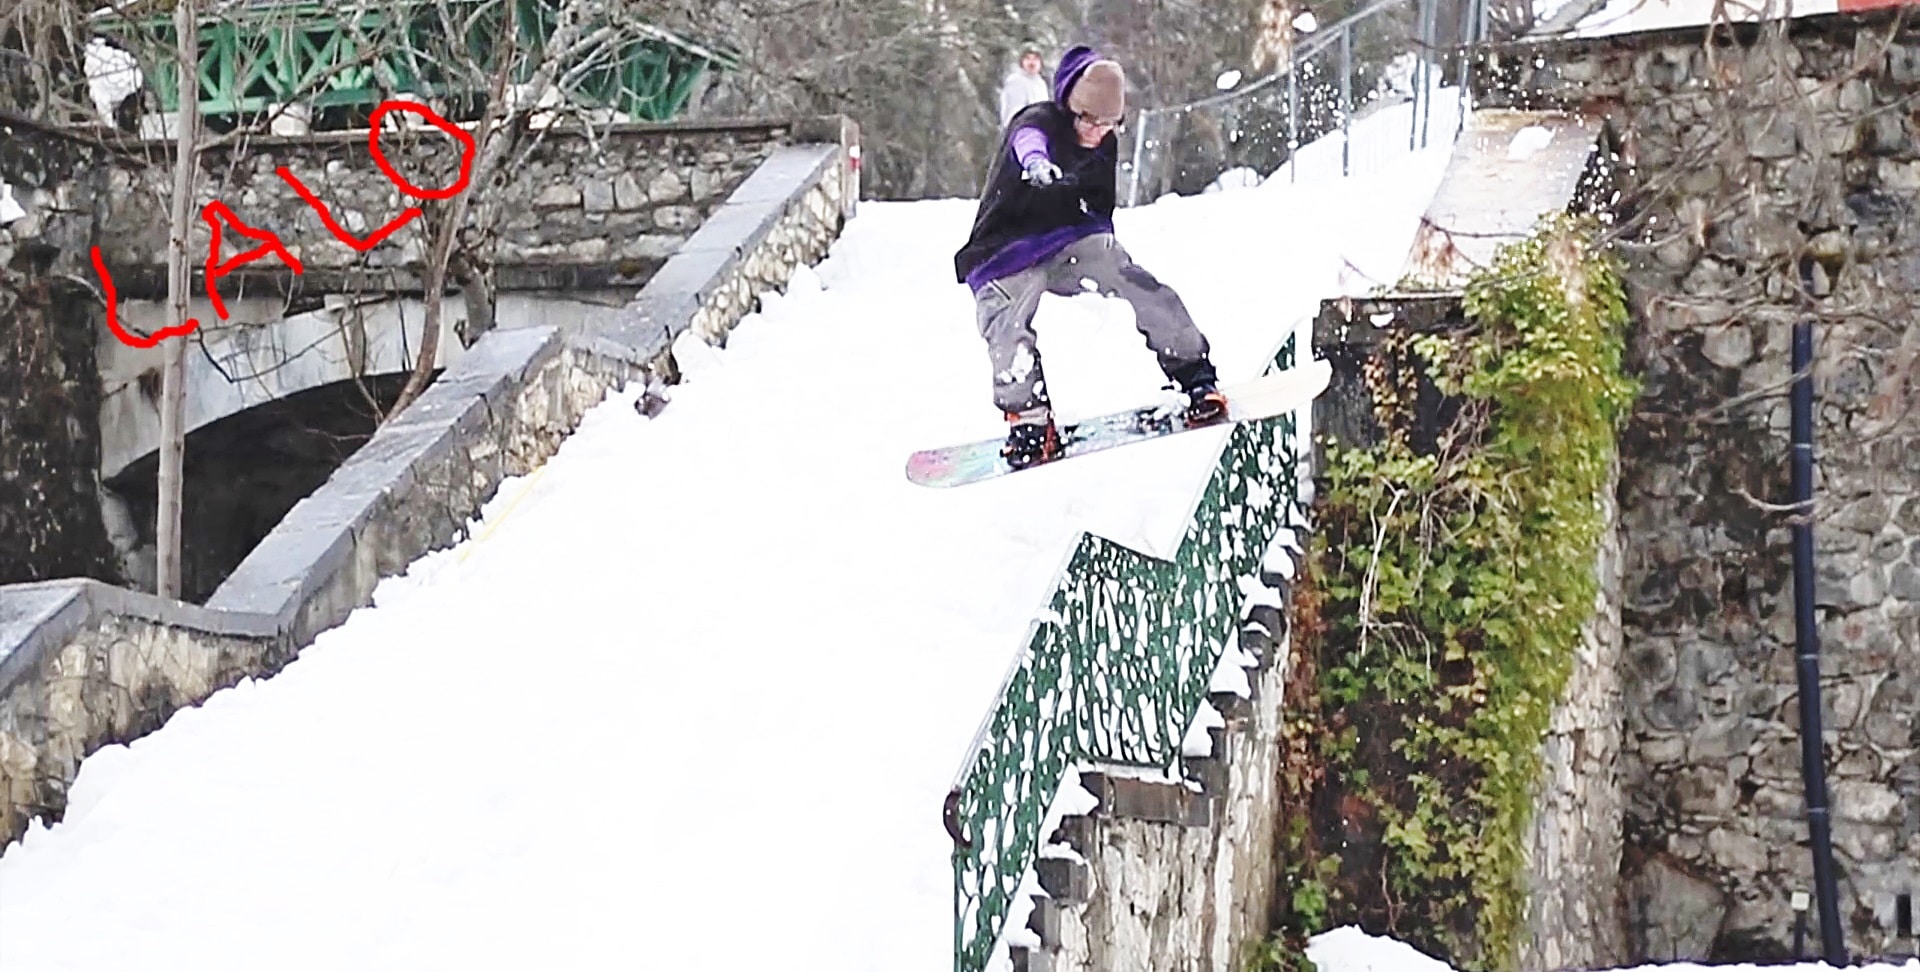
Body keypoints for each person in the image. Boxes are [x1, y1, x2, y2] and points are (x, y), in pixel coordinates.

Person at [955, 44, 1226, 469]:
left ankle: (1194, 373)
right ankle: (1029, 419)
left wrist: (1109, 262)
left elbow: (1100, 210)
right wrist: (1037, 164)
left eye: (1108, 123)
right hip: (1004, 250)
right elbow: (1029, 141)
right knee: (1006, 322)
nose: (1097, 131)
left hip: (1068, 242)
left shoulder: (1105, 142)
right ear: (1070, 108)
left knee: (1136, 281)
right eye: (1089, 120)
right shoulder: (1038, 121)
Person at [998, 48, 1051, 127]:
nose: (1031, 62)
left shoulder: (1041, 83)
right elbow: (1014, 113)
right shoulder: (1016, 81)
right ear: (1022, 62)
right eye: (1027, 58)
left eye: (1035, 59)